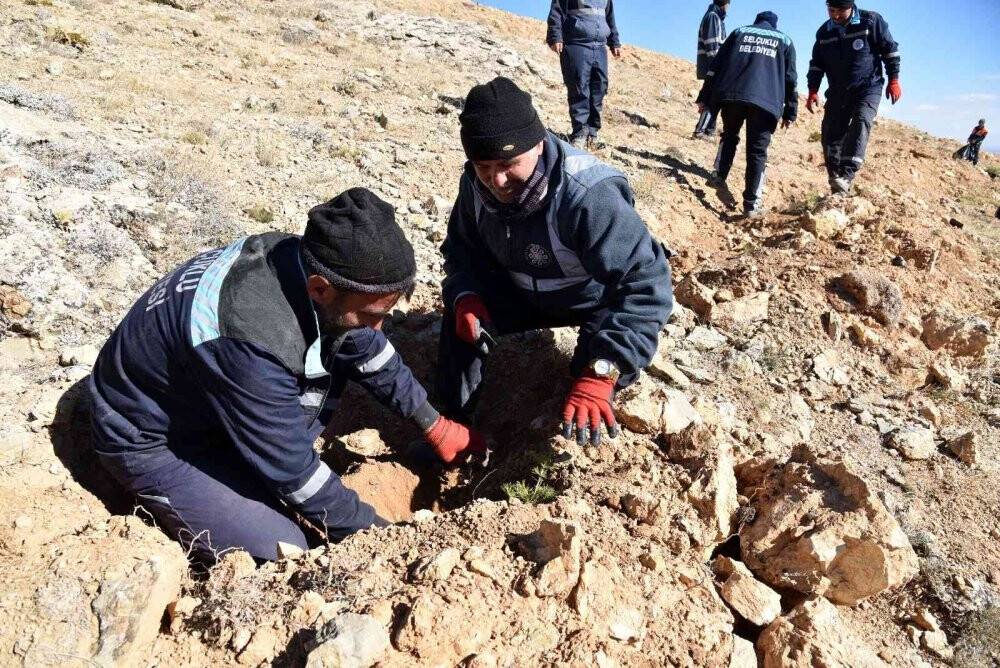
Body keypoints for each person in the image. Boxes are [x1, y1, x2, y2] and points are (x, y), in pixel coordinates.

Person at [88, 189, 485, 563]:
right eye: (370, 315)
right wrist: (379, 538)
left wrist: (435, 426)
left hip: (206, 395)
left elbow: (367, 348)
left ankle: (248, 463)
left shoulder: (304, 260)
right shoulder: (249, 340)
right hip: (150, 439)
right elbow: (293, 471)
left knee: (343, 344)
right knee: (285, 547)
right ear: (321, 290)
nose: (378, 328)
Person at [435, 77, 674, 447]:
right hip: (518, 291)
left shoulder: (588, 196)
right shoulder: (474, 187)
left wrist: (605, 368)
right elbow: (461, 252)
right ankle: (453, 425)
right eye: (484, 166)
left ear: (539, 142)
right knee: (456, 320)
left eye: (509, 163)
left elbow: (645, 283)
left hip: (590, 299)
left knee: (586, 388)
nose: (497, 180)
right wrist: (465, 295)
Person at [696, 11, 797, 218]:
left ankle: (718, 175)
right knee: (757, 151)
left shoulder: (739, 32)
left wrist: (705, 96)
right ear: (774, 24)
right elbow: (790, 80)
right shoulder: (785, 41)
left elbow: (716, 67)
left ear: (757, 21)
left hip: (732, 95)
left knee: (729, 135)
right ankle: (751, 204)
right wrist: (790, 111)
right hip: (766, 103)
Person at [806, 0, 901, 194]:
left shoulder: (871, 22)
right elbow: (817, 63)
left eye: (840, 11)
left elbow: (889, 50)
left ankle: (847, 175)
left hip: (868, 86)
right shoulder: (824, 32)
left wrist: (894, 79)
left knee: (861, 119)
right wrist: (812, 90)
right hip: (838, 91)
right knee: (830, 133)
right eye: (831, 10)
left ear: (851, 7)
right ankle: (836, 180)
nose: (835, 15)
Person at [546, 0, 622, 148]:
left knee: (599, 89)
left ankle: (592, 134)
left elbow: (610, 17)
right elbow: (556, 12)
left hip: (599, 47)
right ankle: (580, 133)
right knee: (579, 89)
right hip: (576, 44)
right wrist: (555, 37)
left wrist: (614, 42)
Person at [694, 0, 730, 139]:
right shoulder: (713, 17)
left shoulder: (715, 16)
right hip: (714, 66)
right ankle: (702, 130)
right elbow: (712, 46)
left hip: (714, 66)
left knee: (713, 97)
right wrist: (718, 66)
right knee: (711, 99)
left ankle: (708, 130)